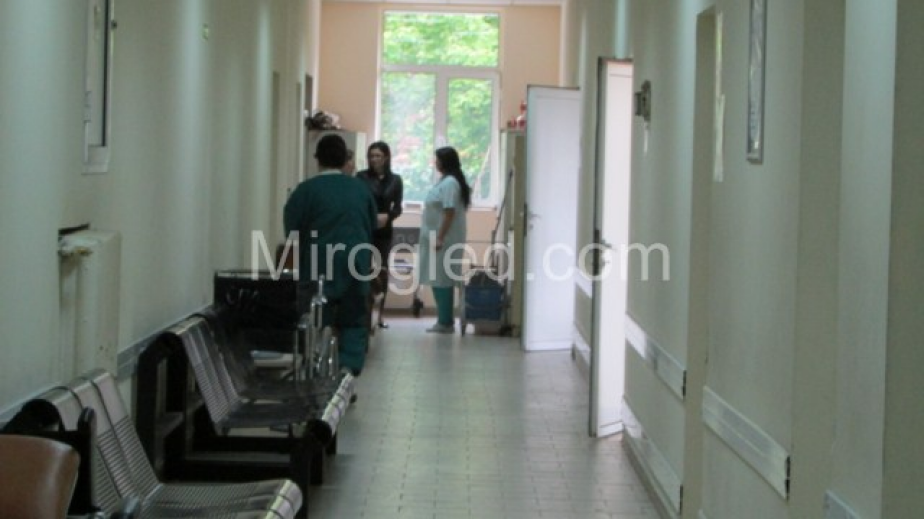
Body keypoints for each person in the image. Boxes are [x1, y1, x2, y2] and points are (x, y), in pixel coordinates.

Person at [283, 134, 377, 375]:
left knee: (315, 318)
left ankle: (316, 365)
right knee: (354, 318)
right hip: (355, 262)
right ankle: (347, 370)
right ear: (345, 159)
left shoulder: (306, 191)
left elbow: (291, 230)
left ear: (317, 159)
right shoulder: (361, 190)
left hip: (318, 262)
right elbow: (372, 226)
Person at [417, 146, 471, 334]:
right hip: (437, 238)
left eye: (438, 159)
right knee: (437, 278)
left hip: (444, 240)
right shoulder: (445, 181)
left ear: (445, 162)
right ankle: (444, 320)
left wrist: (440, 237)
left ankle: (446, 322)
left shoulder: (450, 183)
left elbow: (449, 212)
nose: (435, 163)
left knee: (442, 279)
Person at [355, 141, 404, 328]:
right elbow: (357, 202)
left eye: (378, 156)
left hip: (384, 231)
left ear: (386, 158)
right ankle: (363, 311)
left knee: (382, 270)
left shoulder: (395, 180)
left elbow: (398, 207)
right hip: (365, 228)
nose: (374, 159)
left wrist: (389, 216)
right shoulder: (361, 177)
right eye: (371, 156)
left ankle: (380, 314)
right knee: (363, 269)